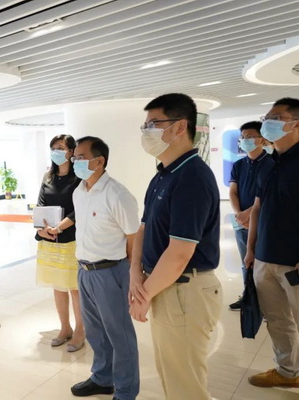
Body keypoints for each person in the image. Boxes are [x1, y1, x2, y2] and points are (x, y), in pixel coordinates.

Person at [129, 93, 222, 400]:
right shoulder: (164, 174)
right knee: (172, 374)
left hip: (185, 290)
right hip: (164, 286)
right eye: (145, 125)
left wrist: (143, 296)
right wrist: (135, 274)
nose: (147, 132)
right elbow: (143, 228)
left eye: (154, 124)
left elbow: (180, 253)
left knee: (186, 386)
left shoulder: (192, 176)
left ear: (180, 126)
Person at [69, 136, 140, 400]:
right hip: (84, 270)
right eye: (74, 157)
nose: (75, 162)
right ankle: (102, 378)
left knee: (119, 335)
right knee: (96, 332)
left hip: (111, 272)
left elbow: (134, 238)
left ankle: (126, 390)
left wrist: (130, 273)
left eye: (81, 157)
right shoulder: (79, 192)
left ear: (99, 161)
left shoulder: (117, 194)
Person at [244, 97, 299, 388]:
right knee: (277, 319)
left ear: (296, 124)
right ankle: (288, 372)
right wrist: (251, 249)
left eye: (276, 118)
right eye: (267, 118)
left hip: (294, 261)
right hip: (265, 257)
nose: (268, 123)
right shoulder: (266, 164)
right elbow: (257, 208)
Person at [35, 134, 84, 352]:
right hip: (50, 240)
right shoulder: (48, 177)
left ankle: (80, 330)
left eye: (61, 147)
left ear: (71, 151)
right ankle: (65, 328)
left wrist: (60, 227)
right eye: (53, 147)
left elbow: (79, 208)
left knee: (74, 288)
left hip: (71, 239)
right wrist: (41, 228)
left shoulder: (79, 178)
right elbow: (40, 204)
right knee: (58, 286)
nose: (56, 151)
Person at [228, 121, 274, 311]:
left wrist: (249, 214)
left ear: (261, 139)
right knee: (245, 261)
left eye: (249, 137)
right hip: (241, 223)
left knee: (262, 263)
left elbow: (268, 196)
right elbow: (233, 192)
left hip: (263, 222)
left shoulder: (271, 164)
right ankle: (248, 296)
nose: (244, 140)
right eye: (242, 137)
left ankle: (266, 302)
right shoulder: (239, 165)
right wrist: (240, 215)